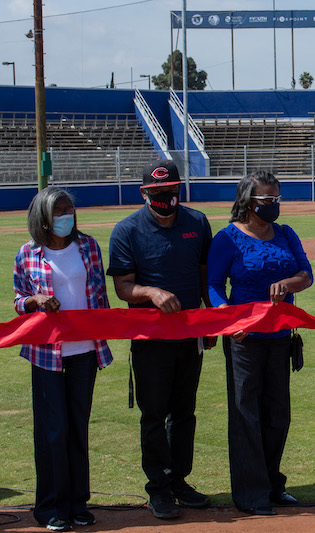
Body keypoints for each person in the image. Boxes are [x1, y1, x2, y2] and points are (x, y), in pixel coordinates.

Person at [107, 159, 214, 520]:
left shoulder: (197, 222)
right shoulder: (127, 230)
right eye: (156, 193)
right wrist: (151, 292)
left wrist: (209, 322)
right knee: (153, 414)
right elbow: (122, 287)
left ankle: (179, 480)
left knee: (184, 413)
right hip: (150, 338)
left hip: (188, 335)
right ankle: (158, 488)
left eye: (170, 191)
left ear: (178, 189)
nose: (164, 197)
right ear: (144, 193)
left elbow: (205, 276)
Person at [207, 170, 313, 516]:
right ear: (247, 202)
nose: (273, 205)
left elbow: (305, 275)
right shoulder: (228, 239)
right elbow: (212, 285)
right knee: (245, 415)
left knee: (277, 415)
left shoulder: (285, 234)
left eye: (276, 199)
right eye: (266, 200)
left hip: (281, 338)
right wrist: (227, 318)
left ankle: (271, 484)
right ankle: (250, 492)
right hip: (244, 340)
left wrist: (288, 284)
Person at [13, 187, 113, 532]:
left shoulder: (88, 246)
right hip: (46, 355)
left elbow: (99, 297)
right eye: (58, 211)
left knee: (77, 429)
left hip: (84, 350)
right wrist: (36, 300)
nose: (66, 216)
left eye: (69, 210)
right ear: (43, 216)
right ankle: (50, 507)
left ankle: (77, 503)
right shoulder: (27, 254)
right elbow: (18, 300)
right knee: (52, 431)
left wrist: (105, 336)